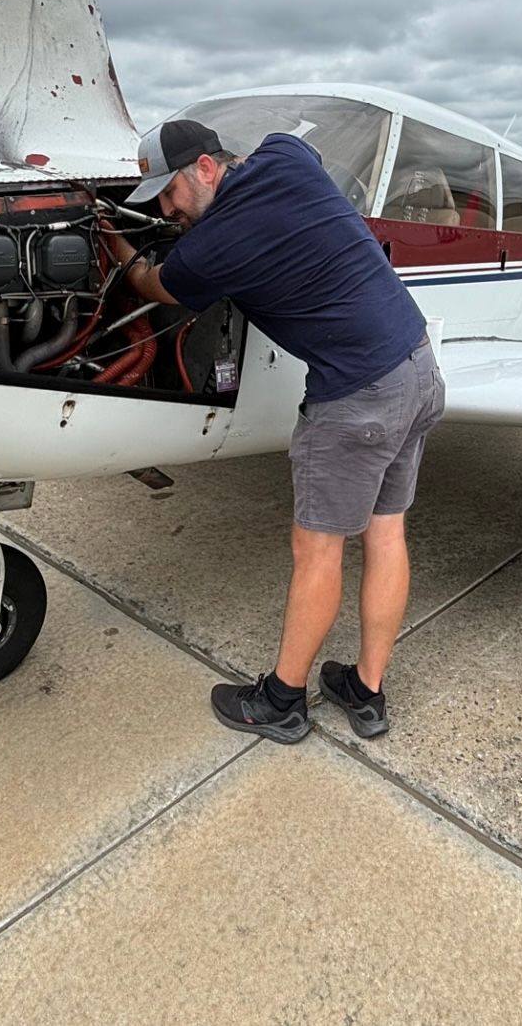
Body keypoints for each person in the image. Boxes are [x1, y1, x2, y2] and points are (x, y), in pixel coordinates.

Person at [104, 117, 445, 743]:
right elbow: (306, 153)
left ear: (205, 169)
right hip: (417, 365)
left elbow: (155, 285)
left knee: (318, 550)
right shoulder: (286, 155)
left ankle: (283, 701)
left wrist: (115, 245)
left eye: (169, 193)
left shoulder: (212, 248)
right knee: (386, 532)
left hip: (356, 398)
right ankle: (365, 693)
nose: (164, 208)